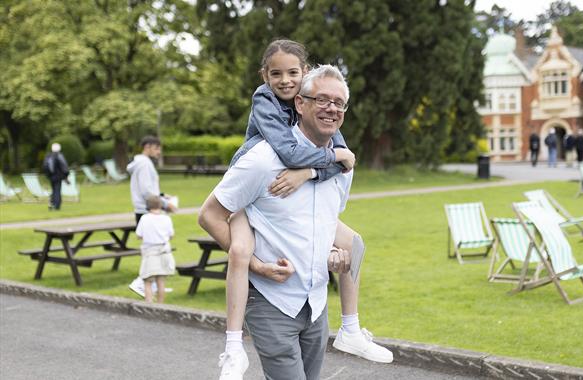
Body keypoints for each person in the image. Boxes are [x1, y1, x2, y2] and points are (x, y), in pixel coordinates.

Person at [208, 40, 390, 380]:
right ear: (301, 103)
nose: (331, 109)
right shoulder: (262, 159)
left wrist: (335, 253)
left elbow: (321, 222)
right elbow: (210, 215)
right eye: (322, 100)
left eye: (339, 103)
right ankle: (232, 348)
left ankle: (351, 329)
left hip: (316, 303)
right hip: (272, 302)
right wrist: (257, 265)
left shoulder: (341, 162)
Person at [126, 136, 178, 297]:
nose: (159, 151)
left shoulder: (143, 163)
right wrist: (164, 204)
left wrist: (161, 195)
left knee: (156, 249)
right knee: (153, 250)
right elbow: (146, 191)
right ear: (147, 147)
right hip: (146, 210)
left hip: (146, 208)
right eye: (156, 148)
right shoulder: (144, 164)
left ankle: (154, 286)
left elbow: (148, 188)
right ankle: (140, 283)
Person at [135, 195, 175, 303]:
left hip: (150, 253)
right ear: (161, 205)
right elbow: (171, 235)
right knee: (160, 281)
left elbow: (139, 235)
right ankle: (160, 305)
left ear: (147, 206)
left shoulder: (144, 218)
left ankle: (149, 304)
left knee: (147, 281)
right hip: (164, 252)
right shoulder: (166, 218)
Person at [42, 142, 70, 211]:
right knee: (57, 190)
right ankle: (56, 206)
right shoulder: (59, 155)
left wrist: (48, 175)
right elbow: (64, 166)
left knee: (53, 190)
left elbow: (44, 166)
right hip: (58, 176)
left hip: (51, 176)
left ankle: (51, 204)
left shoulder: (49, 156)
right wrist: (66, 175)